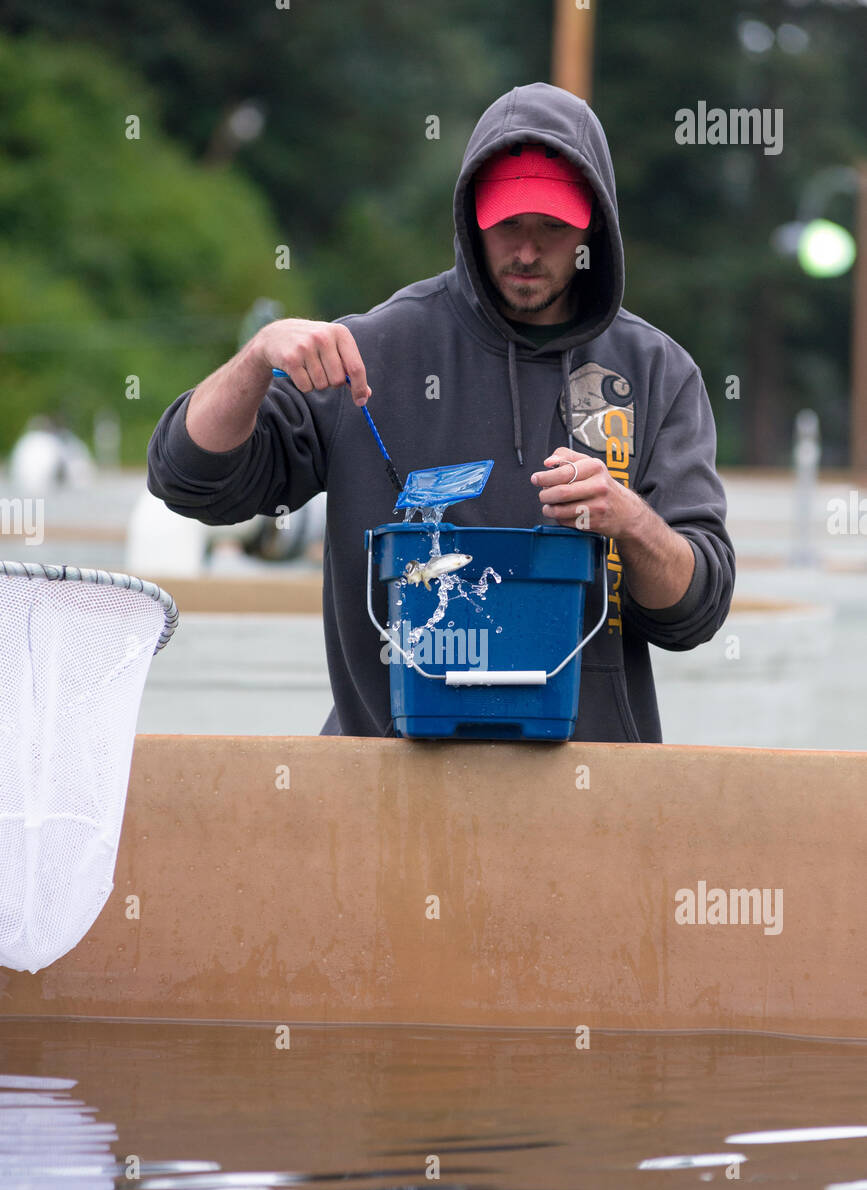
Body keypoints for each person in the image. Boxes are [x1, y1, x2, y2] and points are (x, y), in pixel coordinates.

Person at [147, 82, 735, 742]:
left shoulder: (655, 372)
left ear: (591, 225)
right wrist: (255, 360)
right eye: (508, 222)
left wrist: (629, 521)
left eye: (551, 225)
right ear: (470, 217)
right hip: (384, 800)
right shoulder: (371, 353)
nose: (525, 251)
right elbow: (186, 479)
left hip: (585, 808)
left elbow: (695, 612)